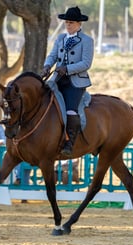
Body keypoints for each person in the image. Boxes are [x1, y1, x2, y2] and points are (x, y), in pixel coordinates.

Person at [40, 6, 94, 157]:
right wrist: (46, 66)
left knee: (70, 110)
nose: (68, 25)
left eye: (71, 23)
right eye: (66, 23)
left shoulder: (87, 40)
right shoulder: (60, 38)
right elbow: (52, 55)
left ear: (79, 24)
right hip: (57, 79)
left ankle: (69, 143)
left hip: (75, 82)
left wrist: (67, 68)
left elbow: (86, 63)